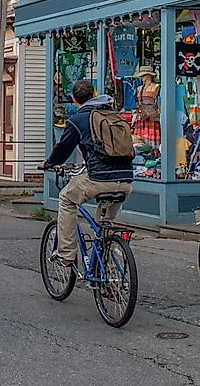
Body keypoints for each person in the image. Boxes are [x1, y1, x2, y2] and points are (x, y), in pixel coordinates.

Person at [39, 79, 133, 268]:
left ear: (74, 99)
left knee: (66, 198)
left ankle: (66, 254)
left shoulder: (78, 119)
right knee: (103, 227)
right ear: (94, 94)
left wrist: (49, 163)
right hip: (125, 180)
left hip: (99, 178)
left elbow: (63, 148)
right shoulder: (113, 115)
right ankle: (109, 270)